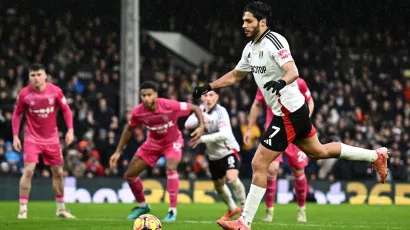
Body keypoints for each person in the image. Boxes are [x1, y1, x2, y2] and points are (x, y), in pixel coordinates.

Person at [192, 2, 389, 229]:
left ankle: (244, 222)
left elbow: (293, 71)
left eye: (248, 21)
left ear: (262, 22)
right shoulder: (250, 48)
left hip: (289, 112)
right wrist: (209, 86)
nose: (243, 25)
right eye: (243, 20)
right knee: (319, 151)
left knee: (259, 163)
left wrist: (281, 81)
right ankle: (375, 156)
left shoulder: (275, 41)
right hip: (290, 112)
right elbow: (236, 75)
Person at [109, 81, 205, 222]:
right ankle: (142, 206)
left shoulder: (170, 105)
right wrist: (117, 151)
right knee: (130, 175)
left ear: (155, 95)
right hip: (152, 144)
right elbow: (129, 129)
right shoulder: (138, 112)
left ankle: (172, 211)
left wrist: (201, 126)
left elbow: (195, 108)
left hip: (172, 142)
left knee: (171, 167)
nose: (146, 98)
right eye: (143, 95)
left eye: (149, 95)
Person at [244, 78, 313, 222]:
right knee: (271, 169)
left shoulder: (298, 82)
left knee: (298, 171)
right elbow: (257, 104)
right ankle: (269, 210)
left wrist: (303, 121)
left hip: (295, 128)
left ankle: (301, 209)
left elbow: (310, 102)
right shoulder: (264, 81)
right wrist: (249, 128)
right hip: (275, 129)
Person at [12, 64, 75, 219]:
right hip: (32, 138)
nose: (36, 78)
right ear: (29, 77)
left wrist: (70, 129)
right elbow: (16, 114)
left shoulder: (55, 91)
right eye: (33, 75)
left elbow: (66, 110)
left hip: (52, 139)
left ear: (45, 76)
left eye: (39, 74)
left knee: (58, 172)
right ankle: (22, 210)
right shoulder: (24, 94)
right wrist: (15, 136)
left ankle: (61, 209)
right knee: (28, 171)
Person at [185, 90, 246, 221]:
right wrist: (201, 119)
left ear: (217, 97)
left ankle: (244, 209)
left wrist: (201, 139)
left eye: (211, 95)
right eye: (206, 95)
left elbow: (225, 134)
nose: (208, 98)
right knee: (218, 185)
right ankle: (232, 208)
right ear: (202, 97)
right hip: (213, 156)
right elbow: (187, 124)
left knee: (232, 177)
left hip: (228, 151)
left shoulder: (221, 112)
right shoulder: (200, 110)